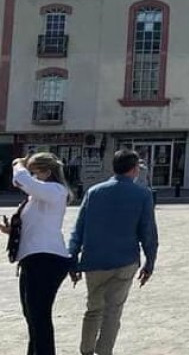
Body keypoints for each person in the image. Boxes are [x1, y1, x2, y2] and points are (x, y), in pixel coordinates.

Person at [68, 149, 159, 355]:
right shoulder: (142, 194)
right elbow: (148, 232)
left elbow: (78, 229)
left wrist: (72, 259)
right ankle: (104, 352)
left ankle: (86, 350)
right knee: (113, 311)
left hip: (94, 260)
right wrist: (149, 262)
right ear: (134, 169)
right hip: (125, 261)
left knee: (93, 309)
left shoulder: (94, 192)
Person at [2, 154, 71, 355]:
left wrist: (18, 164)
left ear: (47, 173)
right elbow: (36, 226)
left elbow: (21, 180)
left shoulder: (56, 191)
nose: (32, 176)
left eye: (35, 172)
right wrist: (10, 230)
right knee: (31, 316)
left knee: (39, 317)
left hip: (47, 259)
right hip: (33, 259)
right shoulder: (38, 197)